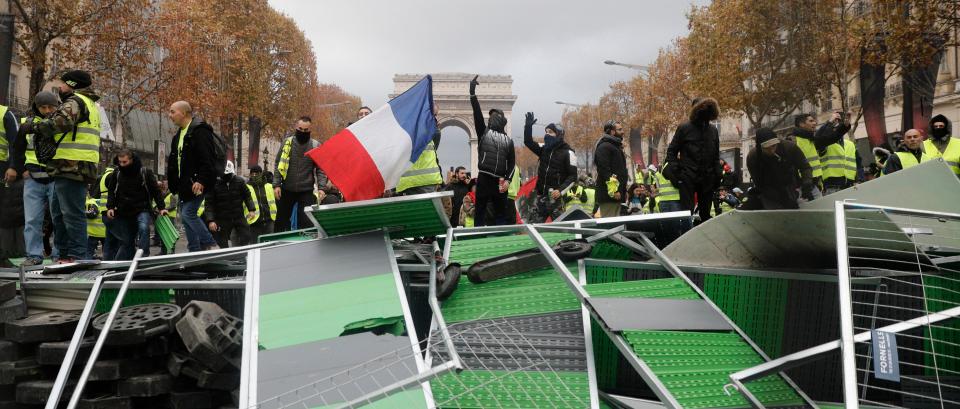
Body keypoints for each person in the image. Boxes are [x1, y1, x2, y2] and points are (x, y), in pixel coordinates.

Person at [25, 70, 101, 263]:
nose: (60, 87)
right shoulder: (90, 104)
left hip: (72, 166)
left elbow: (58, 124)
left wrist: (34, 126)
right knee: (59, 213)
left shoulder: (75, 102)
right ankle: (65, 254)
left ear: (72, 85)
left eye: (63, 83)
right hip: (69, 166)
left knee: (71, 213)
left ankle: (76, 255)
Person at [6, 91, 57, 266]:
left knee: (58, 218)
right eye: (43, 107)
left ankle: (58, 255)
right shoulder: (26, 124)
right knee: (32, 219)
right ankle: (34, 255)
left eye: (51, 107)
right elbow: (17, 149)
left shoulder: (60, 123)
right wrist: (16, 168)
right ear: (37, 107)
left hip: (55, 177)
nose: (47, 110)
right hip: (33, 178)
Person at [166, 100, 219, 252]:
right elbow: (175, 162)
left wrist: (201, 180)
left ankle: (211, 244)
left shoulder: (200, 131)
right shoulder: (178, 135)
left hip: (197, 183)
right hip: (184, 185)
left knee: (188, 213)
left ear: (183, 113)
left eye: (172, 112)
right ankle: (194, 250)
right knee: (186, 217)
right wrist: (173, 183)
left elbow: (207, 158)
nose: (170, 116)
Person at [663, 97, 721, 223]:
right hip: (688, 177)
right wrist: (678, 172)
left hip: (707, 178)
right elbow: (671, 151)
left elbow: (716, 155)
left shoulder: (713, 131)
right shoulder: (684, 128)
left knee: (706, 213)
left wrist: (717, 174)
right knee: (687, 213)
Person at [469, 75, 515, 226]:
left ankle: (498, 239)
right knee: (480, 212)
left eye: (493, 115)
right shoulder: (483, 132)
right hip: (484, 178)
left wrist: (508, 180)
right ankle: (477, 239)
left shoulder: (508, 141)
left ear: (500, 119)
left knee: (499, 214)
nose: (490, 117)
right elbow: (476, 113)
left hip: (500, 181)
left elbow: (512, 165)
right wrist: (472, 93)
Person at [104, 150, 166, 260]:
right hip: (124, 211)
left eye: (125, 162)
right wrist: (110, 207)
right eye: (120, 162)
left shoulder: (145, 172)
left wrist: (162, 208)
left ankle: (143, 255)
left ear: (132, 160)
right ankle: (128, 263)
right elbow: (111, 190)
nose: (122, 165)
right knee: (127, 241)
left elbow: (155, 191)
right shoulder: (117, 173)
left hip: (142, 208)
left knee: (143, 228)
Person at [274, 116, 326, 232]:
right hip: (286, 188)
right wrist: (276, 184)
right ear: (296, 127)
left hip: (306, 191)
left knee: (307, 223)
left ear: (310, 130)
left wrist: (322, 188)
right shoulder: (287, 143)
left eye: (306, 130)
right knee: (280, 222)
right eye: (300, 129)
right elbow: (278, 163)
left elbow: (320, 169)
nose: (303, 132)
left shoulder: (315, 145)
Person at [523, 112, 577, 223]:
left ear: (559, 135)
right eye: (546, 132)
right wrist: (528, 126)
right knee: (533, 227)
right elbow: (528, 142)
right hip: (540, 197)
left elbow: (573, 177)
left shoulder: (569, 153)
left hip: (557, 199)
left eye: (550, 132)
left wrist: (560, 191)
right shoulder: (543, 149)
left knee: (561, 231)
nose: (547, 135)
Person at [743, 128, 814, 210]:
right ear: (759, 147)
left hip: (791, 183)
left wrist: (807, 184)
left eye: (773, 146)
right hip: (769, 188)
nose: (771, 150)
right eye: (766, 148)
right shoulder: (753, 156)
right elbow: (758, 181)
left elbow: (805, 167)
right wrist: (773, 195)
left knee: (795, 207)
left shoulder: (789, 147)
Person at [204, 161, 255, 248]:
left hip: (238, 216)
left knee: (246, 236)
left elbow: (247, 196)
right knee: (222, 242)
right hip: (222, 218)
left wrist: (252, 210)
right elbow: (209, 203)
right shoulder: (214, 185)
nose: (226, 177)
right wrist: (210, 220)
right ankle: (226, 258)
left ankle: (241, 254)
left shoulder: (240, 182)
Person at [397, 103, 443, 195]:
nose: (432, 118)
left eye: (434, 115)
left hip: (416, 181)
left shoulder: (435, 132)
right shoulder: (406, 129)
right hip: (418, 181)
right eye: (430, 114)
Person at [594, 121, 629, 218]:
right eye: (620, 129)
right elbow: (604, 170)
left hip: (615, 195)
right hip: (609, 196)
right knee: (611, 225)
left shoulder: (614, 147)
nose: (623, 132)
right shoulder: (604, 147)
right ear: (612, 132)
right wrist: (614, 190)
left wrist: (623, 191)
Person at [818, 111, 856, 195]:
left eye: (839, 121)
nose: (837, 124)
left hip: (850, 185)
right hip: (832, 186)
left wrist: (858, 180)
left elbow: (858, 164)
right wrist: (829, 123)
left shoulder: (850, 144)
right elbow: (820, 137)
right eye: (835, 121)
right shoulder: (825, 142)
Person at [247, 165, 277, 240]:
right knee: (255, 246)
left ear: (261, 174)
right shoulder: (246, 187)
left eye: (256, 174)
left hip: (269, 220)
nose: (254, 176)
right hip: (254, 222)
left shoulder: (270, 186)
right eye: (252, 174)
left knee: (269, 245)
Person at [85, 192, 105, 259]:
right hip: (104, 232)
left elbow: (92, 214)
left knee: (89, 251)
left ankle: (87, 263)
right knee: (107, 251)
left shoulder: (90, 202)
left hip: (94, 233)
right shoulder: (100, 201)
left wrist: (82, 213)